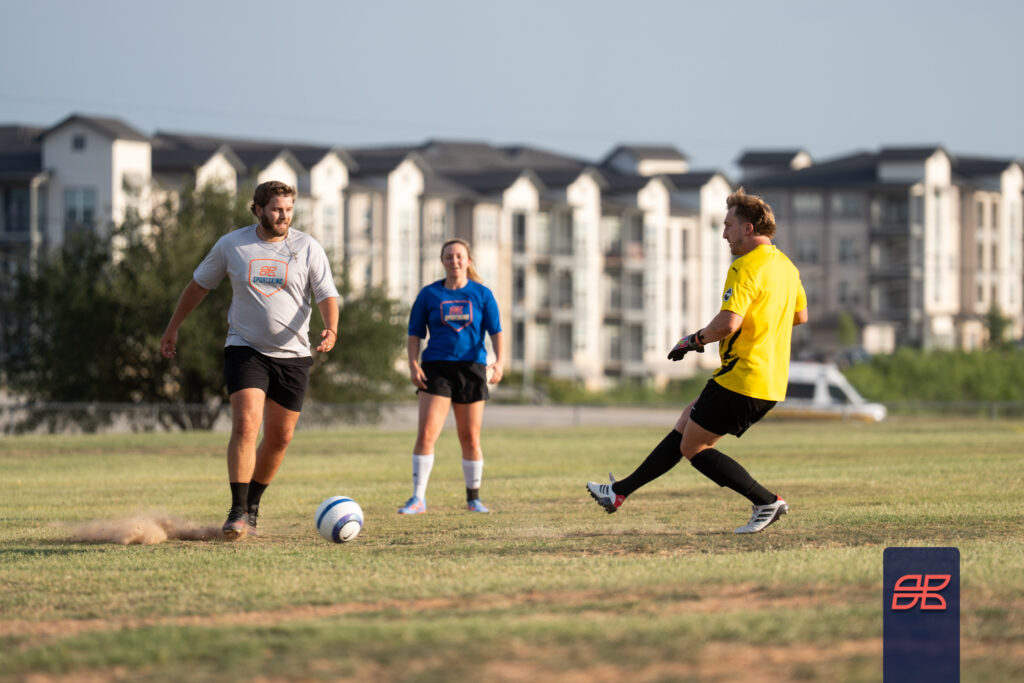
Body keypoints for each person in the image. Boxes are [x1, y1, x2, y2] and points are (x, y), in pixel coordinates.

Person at [587, 187, 808, 533]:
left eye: (728, 226)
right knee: (685, 423)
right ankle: (619, 492)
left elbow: (728, 323)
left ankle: (766, 501)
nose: (724, 234)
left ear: (748, 228)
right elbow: (800, 315)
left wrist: (692, 341)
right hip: (769, 380)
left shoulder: (745, 267)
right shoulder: (787, 267)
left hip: (743, 376)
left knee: (693, 447)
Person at [160, 180, 339, 540]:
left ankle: (252, 507)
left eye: (288, 210)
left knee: (280, 438)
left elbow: (325, 293)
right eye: (276, 209)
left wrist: (331, 328)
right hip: (245, 348)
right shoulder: (232, 245)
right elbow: (198, 286)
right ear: (257, 209)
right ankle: (236, 511)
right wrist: (173, 327)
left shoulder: (307, 247)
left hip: (293, 354)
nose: (283, 216)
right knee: (245, 424)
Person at [400, 238, 504, 514]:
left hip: (472, 369)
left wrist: (500, 362)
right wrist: (413, 364)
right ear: (442, 261)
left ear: (468, 261)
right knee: (426, 434)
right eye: (449, 256)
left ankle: (473, 499)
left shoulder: (482, 294)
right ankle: (418, 499)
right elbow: (414, 333)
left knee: (470, 437)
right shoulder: (429, 294)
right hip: (436, 369)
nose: (454, 261)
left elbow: (496, 331)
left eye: (459, 256)